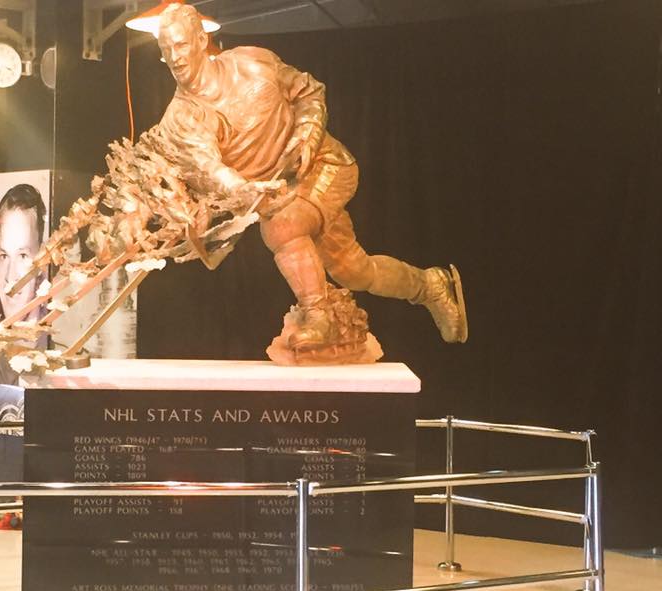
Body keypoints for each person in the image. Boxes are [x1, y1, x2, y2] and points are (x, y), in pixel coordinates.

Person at [155, 4, 467, 351]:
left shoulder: (253, 61)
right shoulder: (181, 118)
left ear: (201, 40)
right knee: (354, 270)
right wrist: (245, 190)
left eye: (180, 45)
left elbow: (308, 91)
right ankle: (430, 285)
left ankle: (317, 315)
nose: (174, 57)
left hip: (326, 165)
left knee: (281, 226)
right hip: (279, 195)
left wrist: (306, 135)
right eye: (165, 50)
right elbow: (212, 172)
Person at [0, 184, 48, 324]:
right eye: (4, 256)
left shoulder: (58, 340)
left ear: (42, 258)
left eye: (23, 256)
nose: (10, 276)